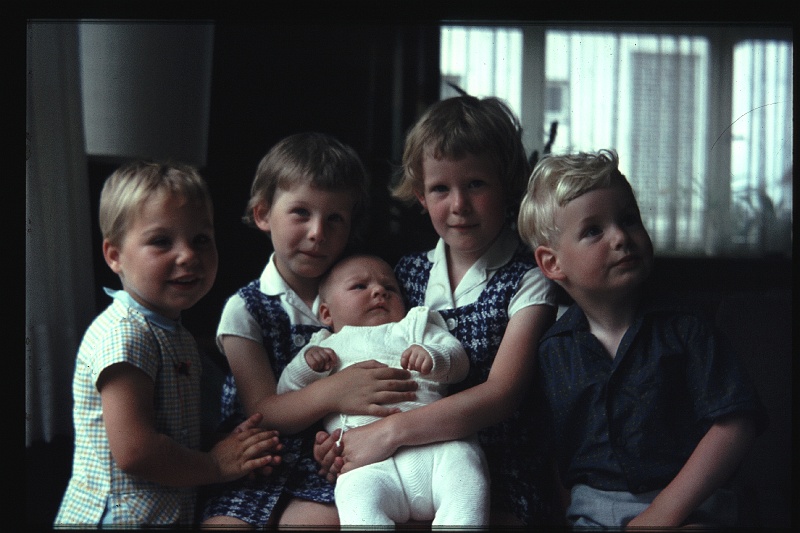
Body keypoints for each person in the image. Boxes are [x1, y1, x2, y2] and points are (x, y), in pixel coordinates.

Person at [314, 95, 562, 526]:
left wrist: (385, 434)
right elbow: (361, 356)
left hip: (497, 468)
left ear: (506, 184)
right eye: (441, 189)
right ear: (420, 196)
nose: (459, 205)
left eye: (477, 184)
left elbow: (501, 394)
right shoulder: (402, 274)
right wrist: (341, 439)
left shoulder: (528, 278)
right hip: (394, 462)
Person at [516, 148, 768, 528]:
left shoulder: (686, 328)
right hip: (591, 513)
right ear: (553, 263)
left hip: (689, 505)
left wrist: (663, 513)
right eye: (593, 230)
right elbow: (553, 451)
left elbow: (735, 424)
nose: (621, 237)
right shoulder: (553, 350)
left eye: (629, 220)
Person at [200, 133, 418, 528]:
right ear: (264, 214)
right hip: (257, 460)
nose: (318, 232)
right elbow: (262, 411)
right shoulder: (245, 309)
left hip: (328, 463)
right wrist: (334, 391)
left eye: (334, 218)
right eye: (301, 213)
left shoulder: (358, 295)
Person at [54, 161, 280, 527]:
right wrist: (214, 464)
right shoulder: (127, 334)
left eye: (200, 240)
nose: (188, 255)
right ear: (114, 256)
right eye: (161, 241)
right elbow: (135, 451)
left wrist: (219, 444)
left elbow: (170, 430)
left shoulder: (170, 331)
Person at [278, 253, 489, 526]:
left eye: (390, 288)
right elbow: (286, 392)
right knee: (355, 498)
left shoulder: (415, 325)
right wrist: (307, 367)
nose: (379, 291)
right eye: (359, 286)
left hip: (436, 445)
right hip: (366, 464)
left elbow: (459, 361)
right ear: (326, 313)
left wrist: (433, 356)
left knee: (466, 473)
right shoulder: (324, 347)